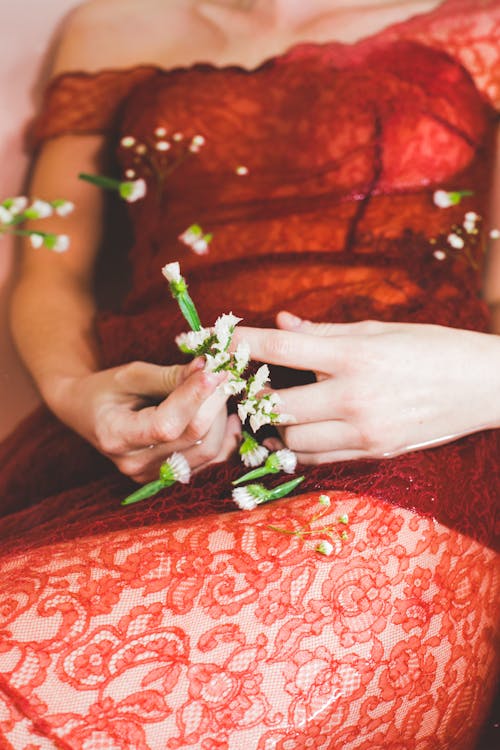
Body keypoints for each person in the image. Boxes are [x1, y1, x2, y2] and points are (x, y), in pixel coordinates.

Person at [0, 0, 498, 747]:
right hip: (137, 439)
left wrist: (477, 380)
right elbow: (50, 267)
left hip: (406, 445)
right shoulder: (110, 26)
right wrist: (76, 392)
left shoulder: (483, 21)